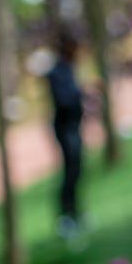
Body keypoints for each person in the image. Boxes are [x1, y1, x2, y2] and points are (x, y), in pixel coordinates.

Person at [47, 31, 85, 237]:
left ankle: (76, 211)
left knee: (78, 169)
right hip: (64, 128)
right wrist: (79, 94)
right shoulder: (56, 72)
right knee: (69, 171)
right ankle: (66, 215)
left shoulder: (70, 69)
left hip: (74, 126)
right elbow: (64, 100)